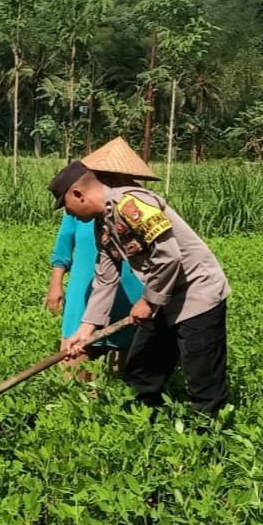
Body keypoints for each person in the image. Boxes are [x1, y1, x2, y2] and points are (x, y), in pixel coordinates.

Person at [47, 137, 231, 416]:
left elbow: (169, 256)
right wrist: (86, 329)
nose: (69, 214)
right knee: (141, 369)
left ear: (78, 195)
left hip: (196, 294)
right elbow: (105, 278)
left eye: (66, 206)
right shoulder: (103, 224)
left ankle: (209, 439)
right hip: (162, 297)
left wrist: (148, 301)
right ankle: (147, 423)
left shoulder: (132, 204)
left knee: (202, 375)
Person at [46, 213, 143, 378]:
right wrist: (55, 285)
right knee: (72, 375)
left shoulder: (135, 209)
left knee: (118, 382)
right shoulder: (78, 210)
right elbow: (62, 249)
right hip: (83, 295)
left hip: (129, 297)